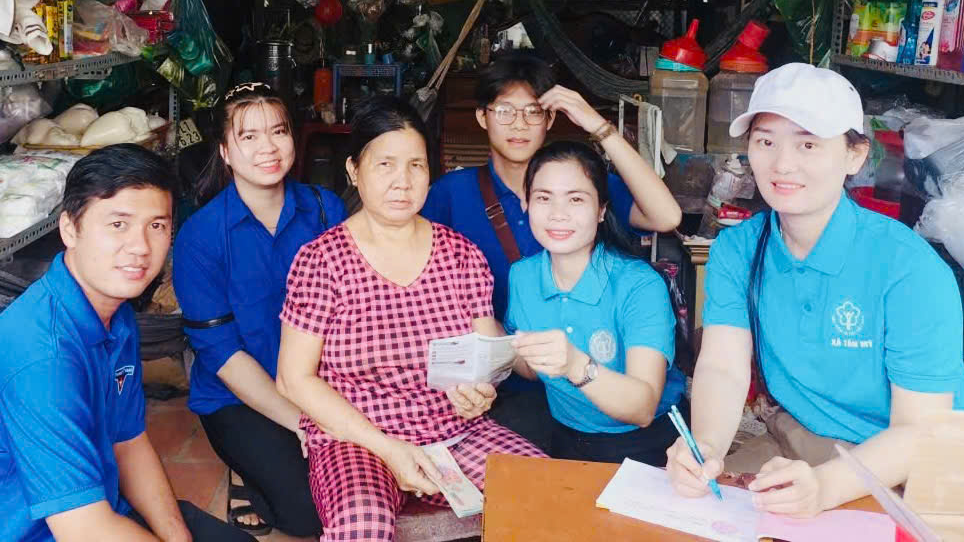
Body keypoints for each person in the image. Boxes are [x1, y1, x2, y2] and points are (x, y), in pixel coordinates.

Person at [666, 64, 964, 518]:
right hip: (807, 439)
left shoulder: (908, 269)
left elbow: (919, 432)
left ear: (855, 156)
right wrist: (706, 448)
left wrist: (826, 488)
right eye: (765, 141)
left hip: (912, 463)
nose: (782, 164)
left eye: (808, 144)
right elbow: (723, 367)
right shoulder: (739, 248)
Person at [0, 144, 253, 542]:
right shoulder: (42, 360)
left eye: (157, 226)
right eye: (118, 224)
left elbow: (128, 442)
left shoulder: (114, 316)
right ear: (70, 229)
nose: (141, 247)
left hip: (84, 512)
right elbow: (86, 530)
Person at [276, 97, 546, 542]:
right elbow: (294, 379)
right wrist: (389, 449)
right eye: (385, 164)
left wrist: (480, 392)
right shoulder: (321, 260)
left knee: (546, 493)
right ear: (353, 170)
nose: (402, 181)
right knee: (362, 524)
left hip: (454, 432)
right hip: (357, 439)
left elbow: (486, 356)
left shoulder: (461, 255)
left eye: (416, 165)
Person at [421, 51, 681, 450]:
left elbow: (666, 216)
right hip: (517, 381)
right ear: (482, 117)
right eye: (504, 110)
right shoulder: (450, 195)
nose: (519, 124)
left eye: (533, 111)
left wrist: (597, 125)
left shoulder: (583, 182)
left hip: (602, 394)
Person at [174, 82, 347, 538]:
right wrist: (306, 424)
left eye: (278, 131)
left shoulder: (325, 211)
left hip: (321, 383)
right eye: (248, 136)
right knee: (310, 514)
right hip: (240, 395)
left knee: (354, 488)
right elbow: (223, 355)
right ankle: (244, 468)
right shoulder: (201, 236)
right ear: (225, 151)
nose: (267, 147)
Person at [505, 141, 687, 467]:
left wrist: (574, 364)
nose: (558, 214)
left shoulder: (639, 284)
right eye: (543, 198)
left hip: (650, 443)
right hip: (566, 435)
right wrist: (488, 340)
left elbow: (642, 408)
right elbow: (532, 369)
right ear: (526, 204)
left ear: (601, 210)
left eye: (576, 199)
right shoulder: (522, 276)